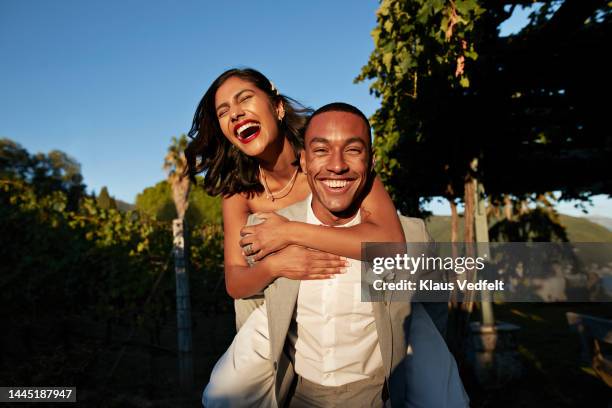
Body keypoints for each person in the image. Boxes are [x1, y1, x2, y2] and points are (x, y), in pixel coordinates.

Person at [201, 103, 469, 407]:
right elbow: (250, 310)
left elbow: (432, 311)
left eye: (353, 151)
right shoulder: (265, 232)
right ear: (303, 161)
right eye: (321, 150)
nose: (337, 165)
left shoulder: (413, 237)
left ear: (371, 161)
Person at [184, 68, 406, 330]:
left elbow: (392, 246)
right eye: (223, 112)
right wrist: (275, 266)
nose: (235, 113)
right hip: (287, 317)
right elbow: (235, 282)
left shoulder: (331, 161)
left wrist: (289, 232)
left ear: (278, 107)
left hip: (363, 297)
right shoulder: (238, 193)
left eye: (244, 98)